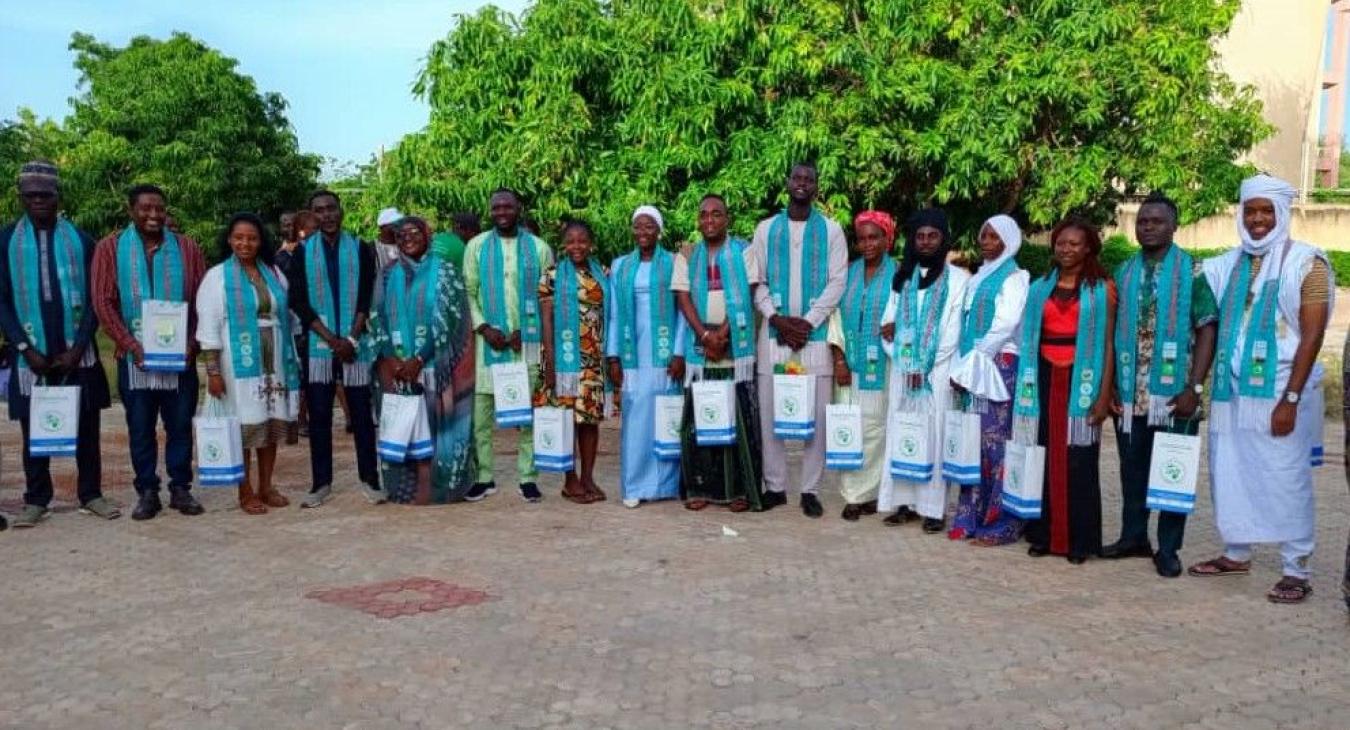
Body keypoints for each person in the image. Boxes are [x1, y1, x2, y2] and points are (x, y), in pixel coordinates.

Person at [1189, 174, 1333, 604]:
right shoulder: (1222, 266)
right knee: (1230, 473)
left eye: (1266, 211)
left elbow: (1312, 335)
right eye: (1250, 210)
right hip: (1232, 396)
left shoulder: (1308, 263)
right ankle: (1236, 552)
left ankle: (1296, 568)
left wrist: (1289, 398)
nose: (1257, 219)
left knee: (1285, 478)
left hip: (1281, 392)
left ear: (1282, 213)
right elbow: (1201, 315)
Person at [1105, 192, 1218, 577]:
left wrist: (1194, 388)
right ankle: (1134, 536)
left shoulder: (1194, 271)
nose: (1148, 227)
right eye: (1142, 221)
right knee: (1131, 469)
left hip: (1175, 397)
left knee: (1174, 467)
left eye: (1156, 221)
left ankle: (1169, 548)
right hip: (1130, 393)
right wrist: (1112, 389)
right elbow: (1110, 332)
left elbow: (1207, 328)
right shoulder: (1123, 271)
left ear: (1174, 226)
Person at [0, 161, 118, 527]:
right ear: (21, 197)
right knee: (34, 429)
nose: (38, 201)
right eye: (31, 195)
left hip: (76, 355)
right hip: (30, 358)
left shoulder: (82, 241)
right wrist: (24, 348)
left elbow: (98, 298)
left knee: (86, 427)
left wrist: (80, 346)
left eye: (45, 195)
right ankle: (37, 499)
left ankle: (91, 493)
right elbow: (1, 300)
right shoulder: (5, 241)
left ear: (57, 196)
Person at [91, 183, 207, 520]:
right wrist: (131, 345)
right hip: (135, 360)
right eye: (145, 208)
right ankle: (146, 490)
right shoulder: (110, 248)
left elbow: (201, 300)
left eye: (159, 208)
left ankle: (180, 488)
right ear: (131, 211)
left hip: (179, 358)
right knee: (140, 428)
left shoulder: (186, 248)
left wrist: (192, 344)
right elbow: (103, 302)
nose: (153, 215)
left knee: (180, 425)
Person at [751, 163, 849, 518]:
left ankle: (810, 490)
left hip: (815, 337)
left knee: (817, 417)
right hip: (775, 336)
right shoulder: (765, 230)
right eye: (797, 178)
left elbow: (837, 281)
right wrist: (776, 318)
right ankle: (775, 487)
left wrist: (806, 323)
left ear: (817, 187)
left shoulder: (833, 231)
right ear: (787, 183)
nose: (802, 184)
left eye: (809, 180)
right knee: (771, 413)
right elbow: (755, 278)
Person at [1015, 220, 1116, 563]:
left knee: (1079, 462)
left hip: (1080, 382)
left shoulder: (1102, 289)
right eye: (1061, 243)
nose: (1067, 250)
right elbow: (1028, 336)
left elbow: (1108, 344)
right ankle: (1043, 535)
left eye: (1075, 244)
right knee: (1042, 456)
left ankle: (1079, 541)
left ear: (1088, 248)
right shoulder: (1039, 287)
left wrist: (1104, 395)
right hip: (1043, 378)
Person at [197, 213, 301, 514]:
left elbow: (287, 316)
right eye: (239, 237)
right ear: (229, 239)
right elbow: (209, 328)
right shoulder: (216, 277)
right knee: (243, 425)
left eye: (252, 238)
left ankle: (266, 485)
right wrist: (213, 372)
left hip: (276, 358)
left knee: (270, 424)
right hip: (237, 361)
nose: (245, 243)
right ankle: (244, 491)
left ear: (260, 241)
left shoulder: (274, 274)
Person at [370, 216, 477, 504]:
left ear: (427, 235)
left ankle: (438, 487)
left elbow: (452, 320)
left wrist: (419, 358)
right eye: (401, 235)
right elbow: (375, 318)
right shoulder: (386, 274)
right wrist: (391, 358)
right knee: (403, 424)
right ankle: (405, 488)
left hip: (434, 367)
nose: (408, 239)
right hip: (396, 369)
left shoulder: (446, 271)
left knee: (433, 424)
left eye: (414, 233)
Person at [286, 190, 383, 508]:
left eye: (331, 208)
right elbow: (298, 301)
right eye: (319, 210)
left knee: (361, 415)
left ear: (341, 211)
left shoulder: (361, 248)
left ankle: (370, 479)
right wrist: (331, 339)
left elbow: (366, 297)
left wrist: (351, 339)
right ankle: (320, 483)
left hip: (355, 345)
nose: (326, 214)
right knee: (319, 417)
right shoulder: (302, 253)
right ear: (311, 216)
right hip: (318, 346)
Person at [672, 194, 766, 512]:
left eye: (716, 214)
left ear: (727, 219)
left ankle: (738, 490)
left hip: (733, 344)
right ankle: (700, 489)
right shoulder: (688, 254)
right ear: (698, 220)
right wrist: (704, 336)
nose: (709, 220)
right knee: (700, 418)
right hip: (701, 346)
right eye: (703, 215)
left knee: (736, 417)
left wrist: (722, 334)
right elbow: (683, 298)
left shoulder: (744, 250)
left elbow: (749, 295)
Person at [878, 208, 970, 532]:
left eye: (933, 236)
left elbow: (953, 332)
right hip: (903, 374)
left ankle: (932, 509)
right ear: (912, 241)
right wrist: (905, 362)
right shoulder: (902, 279)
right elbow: (886, 326)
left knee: (934, 435)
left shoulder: (959, 281)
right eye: (920, 236)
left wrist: (924, 364)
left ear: (944, 239)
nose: (926, 242)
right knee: (903, 430)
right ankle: (903, 503)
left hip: (937, 374)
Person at [462, 189, 554, 503]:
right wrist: (484, 327)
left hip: (526, 344)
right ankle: (484, 477)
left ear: (519, 209)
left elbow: (547, 297)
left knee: (527, 414)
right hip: (488, 345)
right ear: (490, 211)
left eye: (508, 206)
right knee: (481, 416)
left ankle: (528, 478)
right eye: (496, 206)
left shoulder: (540, 248)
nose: (502, 211)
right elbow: (468, 292)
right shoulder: (475, 246)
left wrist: (526, 331)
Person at [948, 214, 1030, 545]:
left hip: (997, 366)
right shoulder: (978, 277)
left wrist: (976, 359)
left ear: (1009, 240)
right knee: (971, 442)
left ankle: (999, 522)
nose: (987, 241)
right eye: (984, 235)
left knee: (995, 446)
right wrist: (963, 365)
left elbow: (1007, 323)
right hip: (973, 365)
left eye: (995, 236)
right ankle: (969, 516)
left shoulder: (1015, 277)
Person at [606, 205, 686, 508]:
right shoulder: (621, 266)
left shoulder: (675, 263)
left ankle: (666, 485)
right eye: (638, 226)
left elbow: (682, 312)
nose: (643, 232)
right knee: (636, 420)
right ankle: (635, 485)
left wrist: (679, 352)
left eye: (649, 226)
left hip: (665, 356)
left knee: (667, 417)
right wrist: (613, 357)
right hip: (633, 356)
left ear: (659, 230)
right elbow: (613, 316)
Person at [537, 220, 610, 503]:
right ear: (563, 244)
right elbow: (546, 320)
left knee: (589, 421)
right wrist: (551, 361)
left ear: (591, 244)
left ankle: (588, 476)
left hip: (593, 358)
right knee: (566, 419)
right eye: (571, 241)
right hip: (563, 360)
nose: (576, 246)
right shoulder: (551, 276)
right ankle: (570, 480)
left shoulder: (602, 274)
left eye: (582, 241)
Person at [832, 210, 897, 521]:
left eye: (874, 237)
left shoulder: (900, 275)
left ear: (887, 239)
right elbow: (835, 318)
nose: (868, 244)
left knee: (877, 430)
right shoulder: (847, 274)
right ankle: (852, 495)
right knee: (849, 427)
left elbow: (908, 315)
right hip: (849, 367)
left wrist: (897, 328)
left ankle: (872, 495)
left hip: (882, 368)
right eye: (862, 239)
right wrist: (839, 359)